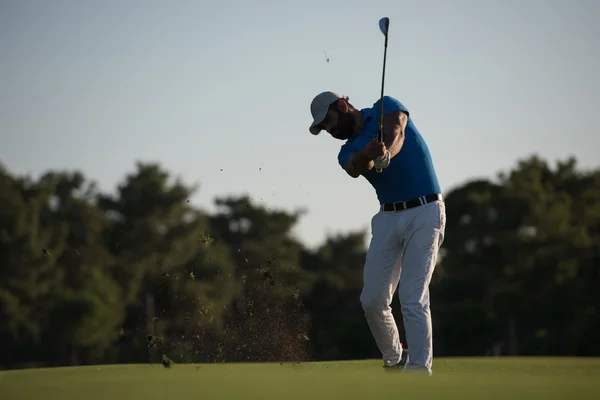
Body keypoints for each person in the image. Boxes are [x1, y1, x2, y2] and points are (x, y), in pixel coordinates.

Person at [308, 91, 446, 375]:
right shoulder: (346, 150)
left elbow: (397, 131)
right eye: (324, 128)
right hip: (387, 217)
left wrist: (386, 152)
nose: (330, 129)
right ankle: (396, 359)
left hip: (425, 210)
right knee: (371, 299)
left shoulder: (386, 106)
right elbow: (355, 167)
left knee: (412, 294)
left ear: (343, 106)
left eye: (329, 121)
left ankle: (420, 371)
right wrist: (368, 155)